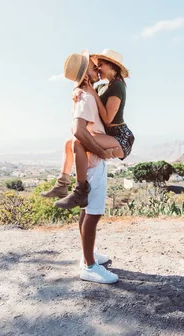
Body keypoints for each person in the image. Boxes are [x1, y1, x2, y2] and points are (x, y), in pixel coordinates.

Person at [42, 49, 134, 210]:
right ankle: (62, 183)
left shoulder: (118, 87)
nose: (98, 68)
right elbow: (88, 92)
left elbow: (107, 119)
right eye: (96, 66)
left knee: (79, 142)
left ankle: (80, 192)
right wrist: (77, 90)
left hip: (120, 138)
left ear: (112, 66)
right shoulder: (103, 87)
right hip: (108, 135)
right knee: (67, 143)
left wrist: (91, 91)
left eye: (101, 64)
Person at [56, 50, 118, 283]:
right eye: (92, 68)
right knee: (93, 214)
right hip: (94, 162)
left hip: (91, 161)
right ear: (85, 76)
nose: (96, 69)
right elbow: (78, 130)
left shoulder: (83, 94)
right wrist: (101, 151)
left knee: (86, 211)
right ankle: (90, 266)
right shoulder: (84, 97)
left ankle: (87, 256)